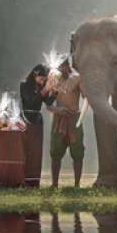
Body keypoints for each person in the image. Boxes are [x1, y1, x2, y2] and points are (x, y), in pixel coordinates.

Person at [47, 57, 85, 188]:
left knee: (78, 152)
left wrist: (84, 83)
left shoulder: (76, 79)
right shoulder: (54, 80)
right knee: (55, 152)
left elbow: (86, 96)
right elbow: (48, 105)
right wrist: (58, 110)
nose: (61, 69)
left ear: (68, 66)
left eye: (63, 66)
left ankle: (77, 184)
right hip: (59, 119)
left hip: (74, 118)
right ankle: (54, 184)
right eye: (59, 67)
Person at [20, 64, 54, 187]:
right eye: (41, 78)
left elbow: (48, 102)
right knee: (25, 150)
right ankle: (23, 179)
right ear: (35, 74)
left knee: (36, 152)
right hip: (26, 118)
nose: (42, 81)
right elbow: (31, 101)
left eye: (44, 79)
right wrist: (45, 90)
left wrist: (54, 91)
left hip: (38, 120)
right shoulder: (24, 85)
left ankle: (34, 181)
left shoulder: (41, 86)